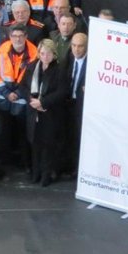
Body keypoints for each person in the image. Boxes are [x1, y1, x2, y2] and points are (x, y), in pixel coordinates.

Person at [20, 38, 66, 185]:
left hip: (50, 113)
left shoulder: (59, 70)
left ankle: (46, 175)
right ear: (38, 53)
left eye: (49, 53)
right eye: (43, 53)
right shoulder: (32, 67)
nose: (45, 56)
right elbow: (22, 86)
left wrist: (43, 102)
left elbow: (62, 92)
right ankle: (36, 173)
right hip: (33, 111)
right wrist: (31, 100)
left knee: (47, 145)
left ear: (54, 54)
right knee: (34, 144)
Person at [63, 32, 88, 172]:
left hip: (81, 106)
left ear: (87, 47)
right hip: (67, 103)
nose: (76, 49)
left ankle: (77, 168)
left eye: (80, 46)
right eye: (73, 45)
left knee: (78, 137)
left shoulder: (92, 63)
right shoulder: (69, 57)